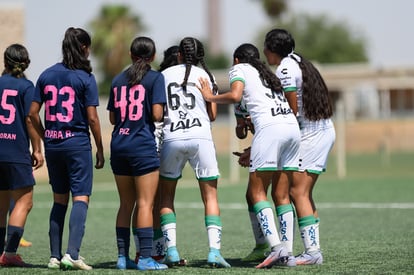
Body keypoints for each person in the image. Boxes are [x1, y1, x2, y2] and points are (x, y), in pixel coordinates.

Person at [197, 43, 300, 268]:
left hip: (271, 132)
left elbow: (235, 96)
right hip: (292, 130)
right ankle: (287, 252)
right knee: (282, 195)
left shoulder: (239, 69)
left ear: (236, 60)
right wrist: (254, 148)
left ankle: (275, 248)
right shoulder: (267, 74)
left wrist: (209, 97)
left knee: (256, 193)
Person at [28, 27, 105, 270]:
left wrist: (46, 136)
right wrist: (101, 148)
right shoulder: (85, 77)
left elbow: (31, 113)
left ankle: (53, 256)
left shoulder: (46, 74)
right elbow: (92, 118)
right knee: (80, 197)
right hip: (76, 143)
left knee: (58, 200)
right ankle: (72, 254)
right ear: (84, 48)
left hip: (54, 145)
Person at [263, 28, 336, 265]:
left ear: (273, 49)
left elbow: (292, 110)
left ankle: (313, 253)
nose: (264, 52)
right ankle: (313, 249)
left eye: (266, 47)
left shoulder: (285, 67)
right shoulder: (300, 61)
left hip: (311, 134)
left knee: (297, 192)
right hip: (322, 130)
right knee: (304, 193)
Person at [159, 37, 230, 268]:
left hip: (172, 138)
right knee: (210, 196)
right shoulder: (205, 75)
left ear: (179, 53)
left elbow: (158, 114)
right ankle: (214, 252)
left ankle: (171, 251)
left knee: (166, 196)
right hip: (201, 138)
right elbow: (212, 115)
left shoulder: (164, 75)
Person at [107, 36, 168, 271]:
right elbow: (156, 115)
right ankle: (145, 259)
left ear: (131, 55)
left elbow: (113, 118)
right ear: (152, 56)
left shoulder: (117, 80)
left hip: (119, 145)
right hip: (141, 146)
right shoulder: (155, 77)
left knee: (125, 204)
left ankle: (122, 258)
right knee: (145, 204)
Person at [132, 45, 181, 265]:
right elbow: (158, 114)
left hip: (145, 142)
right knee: (156, 201)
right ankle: (157, 252)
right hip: (159, 143)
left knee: (142, 202)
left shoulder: (157, 76)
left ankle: (142, 251)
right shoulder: (161, 79)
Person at [0, 44, 43, 267]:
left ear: (5, 61)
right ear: (26, 63)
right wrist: (37, 148)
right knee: (24, 202)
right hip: (15, 151)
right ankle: (9, 254)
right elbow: (30, 119)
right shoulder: (27, 86)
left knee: (1, 203)